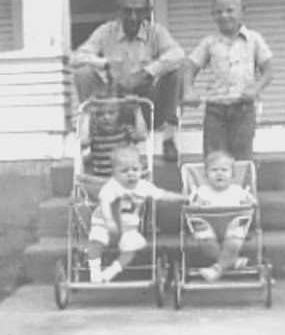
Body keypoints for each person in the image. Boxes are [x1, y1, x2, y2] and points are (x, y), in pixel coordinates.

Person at [70, 0, 185, 162]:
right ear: (119, 11)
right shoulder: (106, 31)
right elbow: (76, 58)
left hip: (146, 105)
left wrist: (148, 72)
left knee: (176, 71)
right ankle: (95, 140)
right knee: (82, 72)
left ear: (147, 11)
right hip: (113, 104)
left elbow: (178, 54)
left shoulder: (155, 32)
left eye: (139, 11)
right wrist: (105, 64)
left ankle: (169, 138)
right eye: (128, 11)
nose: (133, 17)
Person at [183, 0, 273, 160]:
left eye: (230, 10)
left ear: (242, 11)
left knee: (242, 158)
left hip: (243, 109)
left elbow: (268, 71)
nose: (224, 16)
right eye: (218, 12)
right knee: (215, 158)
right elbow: (190, 66)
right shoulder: (209, 42)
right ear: (213, 14)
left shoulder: (254, 39)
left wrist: (255, 89)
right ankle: (214, 188)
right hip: (215, 110)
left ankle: (242, 188)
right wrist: (188, 90)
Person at [88, 145, 188, 283]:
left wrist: (183, 198)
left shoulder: (143, 186)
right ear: (114, 174)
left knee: (131, 247)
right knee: (96, 241)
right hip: (104, 223)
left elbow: (163, 195)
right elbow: (104, 202)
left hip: (129, 228)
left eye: (135, 169)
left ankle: (111, 272)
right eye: (124, 171)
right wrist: (109, 220)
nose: (131, 174)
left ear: (141, 170)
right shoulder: (112, 186)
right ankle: (95, 272)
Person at [188, 150, 256, 282]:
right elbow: (193, 207)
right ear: (206, 175)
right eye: (214, 170)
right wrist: (196, 204)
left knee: (234, 243)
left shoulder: (237, 191)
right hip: (208, 226)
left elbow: (250, 203)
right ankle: (232, 261)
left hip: (232, 225)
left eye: (224, 170)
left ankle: (217, 269)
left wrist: (250, 203)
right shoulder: (202, 191)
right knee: (207, 245)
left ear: (232, 175)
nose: (219, 173)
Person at [78, 85, 148, 199]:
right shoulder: (94, 133)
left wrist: (137, 110)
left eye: (111, 113)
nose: (106, 117)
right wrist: (86, 114)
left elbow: (142, 135)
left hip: (124, 180)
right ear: (95, 117)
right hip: (101, 182)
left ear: (118, 114)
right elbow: (84, 141)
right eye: (100, 114)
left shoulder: (125, 130)